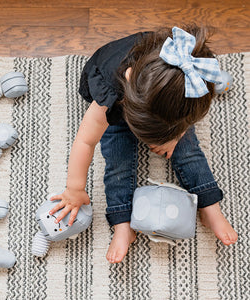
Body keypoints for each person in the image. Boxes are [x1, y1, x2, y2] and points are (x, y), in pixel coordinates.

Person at [49, 25, 238, 264]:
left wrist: (176, 136)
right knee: (118, 160)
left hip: (162, 106)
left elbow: (187, 119)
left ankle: (210, 204)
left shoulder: (186, 81)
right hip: (118, 108)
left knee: (188, 148)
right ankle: (122, 223)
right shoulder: (110, 92)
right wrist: (74, 189)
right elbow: (85, 141)